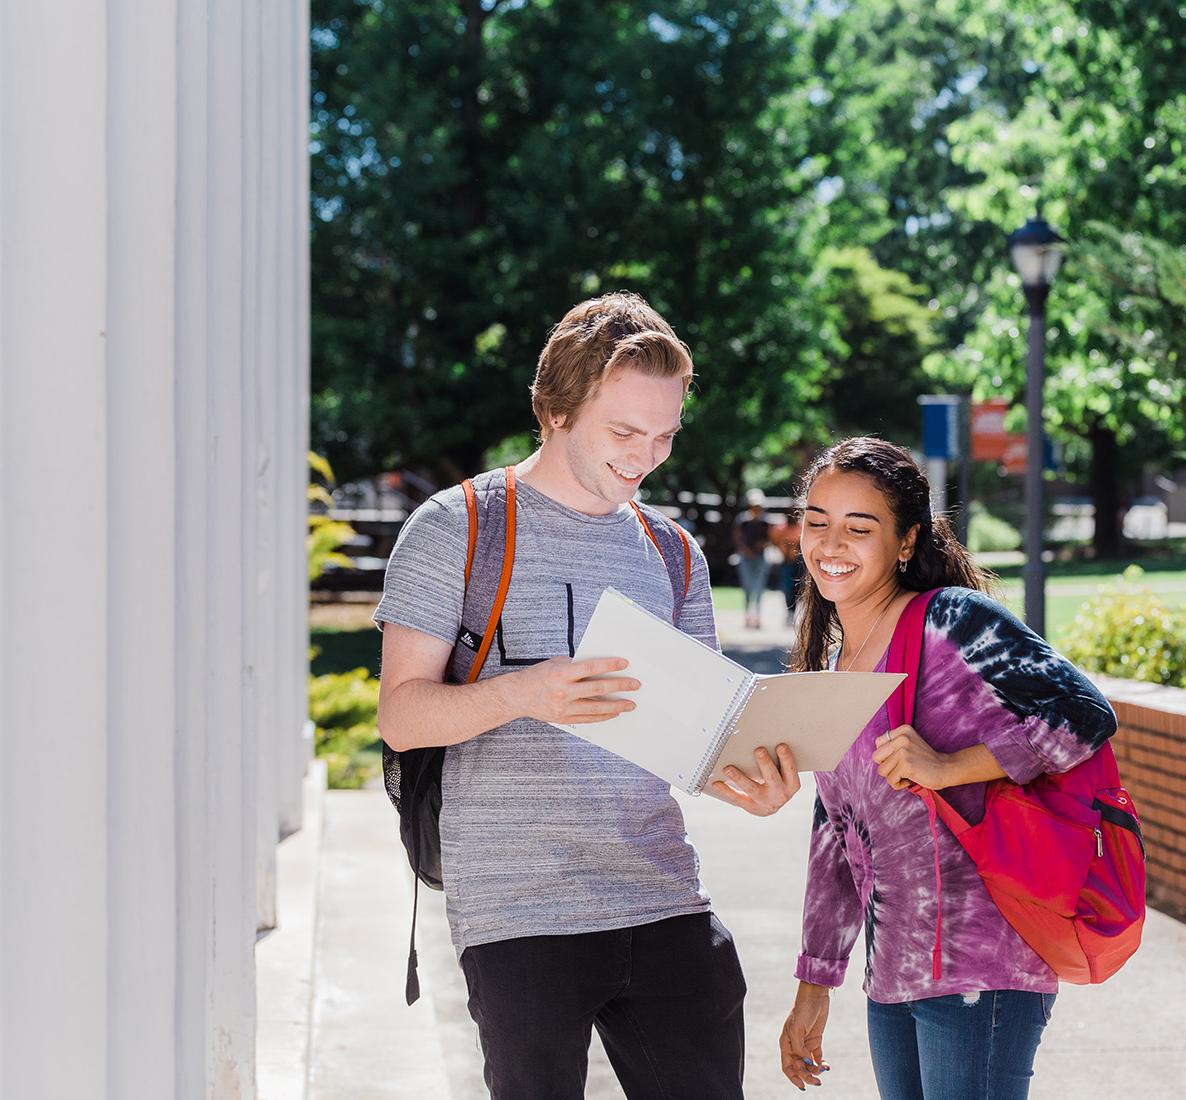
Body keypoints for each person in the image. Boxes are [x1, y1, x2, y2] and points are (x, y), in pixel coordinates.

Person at [375, 292, 801, 1100]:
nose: (646, 456)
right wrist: (525, 692)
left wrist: (751, 782)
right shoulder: (457, 526)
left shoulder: (673, 552)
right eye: (624, 432)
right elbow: (401, 715)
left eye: (665, 435)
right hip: (520, 911)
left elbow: (695, 739)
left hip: (663, 893)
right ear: (554, 411)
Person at [777, 437, 1118, 1100]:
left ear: (905, 543)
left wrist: (951, 765)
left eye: (858, 527)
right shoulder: (837, 664)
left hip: (982, 963)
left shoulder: (951, 621)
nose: (830, 543)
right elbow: (835, 836)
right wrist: (815, 985)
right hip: (894, 973)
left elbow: (1084, 712)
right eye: (816, 521)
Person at [732, 487, 771, 628]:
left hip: (760, 557)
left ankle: (758, 617)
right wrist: (745, 550)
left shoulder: (765, 521)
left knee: (759, 586)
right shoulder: (743, 520)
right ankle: (748, 617)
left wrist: (761, 545)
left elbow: (769, 539)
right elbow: (737, 538)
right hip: (745, 557)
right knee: (747, 586)